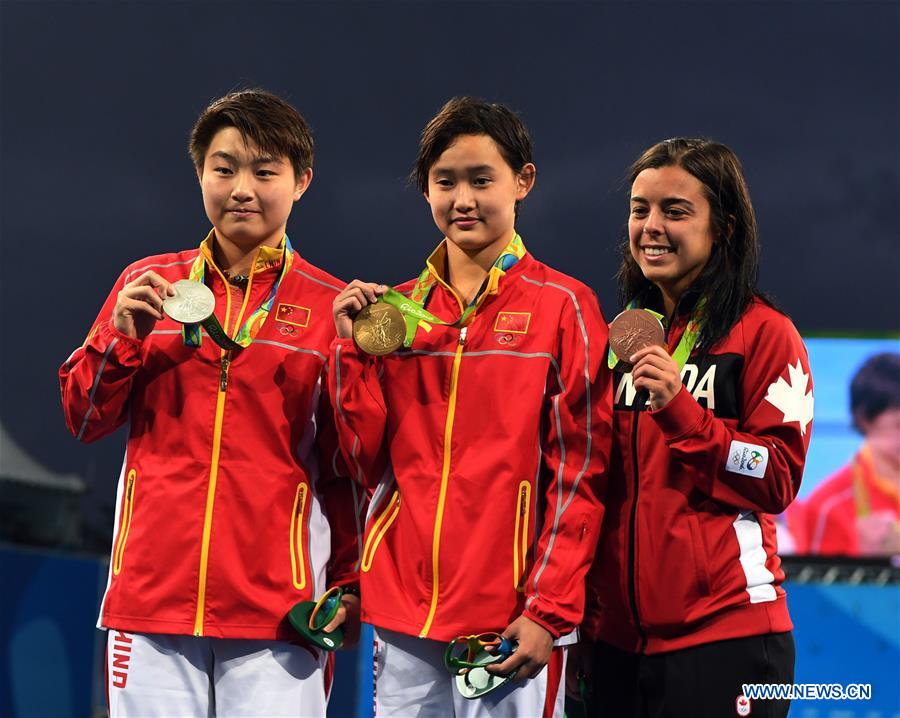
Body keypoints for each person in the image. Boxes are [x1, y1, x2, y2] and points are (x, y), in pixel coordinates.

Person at [59, 89, 363, 717]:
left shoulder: (332, 311)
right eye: (224, 168)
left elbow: (347, 472)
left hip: (281, 613)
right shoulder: (148, 286)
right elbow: (84, 419)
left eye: (265, 170)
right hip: (150, 600)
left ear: (301, 181)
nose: (241, 188)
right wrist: (121, 341)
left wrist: (351, 583)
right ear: (199, 173)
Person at [329, 97, 611, 717]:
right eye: (445, 182)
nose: (463, 199)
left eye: (482, 180)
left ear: (523, 182)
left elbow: (582, 475)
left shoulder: (565, 307)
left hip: (512, 618)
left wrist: (548, 609)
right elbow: (360, 458)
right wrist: (351, 354)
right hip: (404, 610)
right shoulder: (394, 313)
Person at [578, 138, 813, 718]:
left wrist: (682, 412)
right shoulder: (621, 338)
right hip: (614, 645)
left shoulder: (765, 334)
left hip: (729, 636)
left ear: (724, 227)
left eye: (675, 211)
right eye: (640, 209)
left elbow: (776, 475)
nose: (651, 227)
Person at [802, 352, 900, 556]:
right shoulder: (826, 506)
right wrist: (860, 555)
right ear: (865, 420)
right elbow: (811, 586)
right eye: (898, 425)